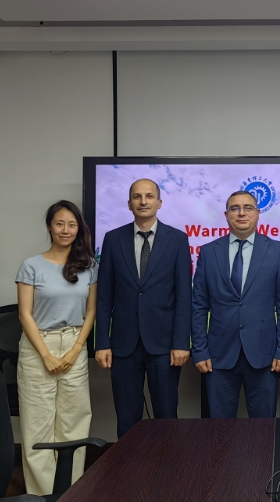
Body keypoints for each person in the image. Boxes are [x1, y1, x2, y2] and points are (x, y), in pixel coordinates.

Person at [95, 178, 192, 438]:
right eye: (137, 197)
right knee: (127, 419)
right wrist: (102, 342)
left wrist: (181, 343)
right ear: (129, 204)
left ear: (159, 202)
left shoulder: (177, 239)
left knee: (166, 416)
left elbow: (184, 296)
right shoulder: (113, 239)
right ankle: (130, 465)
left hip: (164, 345)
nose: (143, 201)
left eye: (149, 196)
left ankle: (167, 463)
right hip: (123, 346)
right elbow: (104, 297)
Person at [16, 200, 98, 495]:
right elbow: (25, 314)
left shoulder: (89, 266)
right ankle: (42, 496)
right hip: (39, 346)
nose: (66, 230)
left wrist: (76, 349)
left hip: (75, 344)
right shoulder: (31, 265)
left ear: (79, 229)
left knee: (74, 424)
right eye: (60, 223)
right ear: (49, 227)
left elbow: (91, 311)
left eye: (72, 225)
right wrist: (46, 355)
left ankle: (69, 493)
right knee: (37, 426)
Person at [191, 190, 280, 418]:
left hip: (264, 356)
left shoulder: (275, 250)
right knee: (220, 430)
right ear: (226, 214)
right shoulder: (208, 252)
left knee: (263, 429)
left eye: (248, 208)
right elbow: (198, 306)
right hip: (218, 356)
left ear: (257, 213)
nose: (241, 213)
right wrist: (199, 350)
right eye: (235, 208)